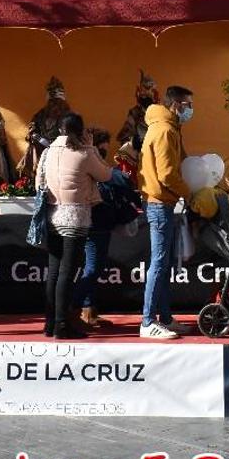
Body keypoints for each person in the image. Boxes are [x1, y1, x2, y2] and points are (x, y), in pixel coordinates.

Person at [38, 113, 112, 339]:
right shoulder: (84, 153)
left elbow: (38, 182)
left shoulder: (47, 152)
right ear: (81, 131)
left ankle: (50, 322)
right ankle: (62, 324)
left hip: (52, 213)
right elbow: (106, 174)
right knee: (67, 273)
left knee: (53, 272)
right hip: (75, 215)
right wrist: (92, 148)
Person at [137, 84, 194, 339]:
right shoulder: (164, 130)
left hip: (164, 202)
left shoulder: (169, 128)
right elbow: (168, 174)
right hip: (160, 202)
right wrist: (190, 192)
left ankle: (165, 318)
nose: (191, 110)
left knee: (165, 262)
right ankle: (148, 321)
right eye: (188, 105)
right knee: (159, 262)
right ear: (176, 104)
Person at [74, 129, 142, 328]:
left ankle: (88, 311)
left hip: (97, 221)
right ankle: (73, 308)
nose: (105, 147)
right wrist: (126, 168)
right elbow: (117, 179)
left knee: (94, 267)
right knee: (93, 268)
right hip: (95, 221)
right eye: (103, 143)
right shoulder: (90, 161)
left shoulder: (90, 160)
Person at [17, 76, 72, 182]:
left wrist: (54, 143)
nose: (54, 105)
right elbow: (32, 127)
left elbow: (71, 135)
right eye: (52, 102)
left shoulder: (68, 115)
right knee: (32, 148)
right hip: (40, 147)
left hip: (60, 148)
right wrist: (35, 136)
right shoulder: (41, 114)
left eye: (57, 101)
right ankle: (33, 180)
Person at [117, 69, 158, 152]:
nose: (145, 94)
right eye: (143, 92)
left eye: (150, 90)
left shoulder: (160, 113)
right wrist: (135, 141)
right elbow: (124, 137)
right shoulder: (134, 113)